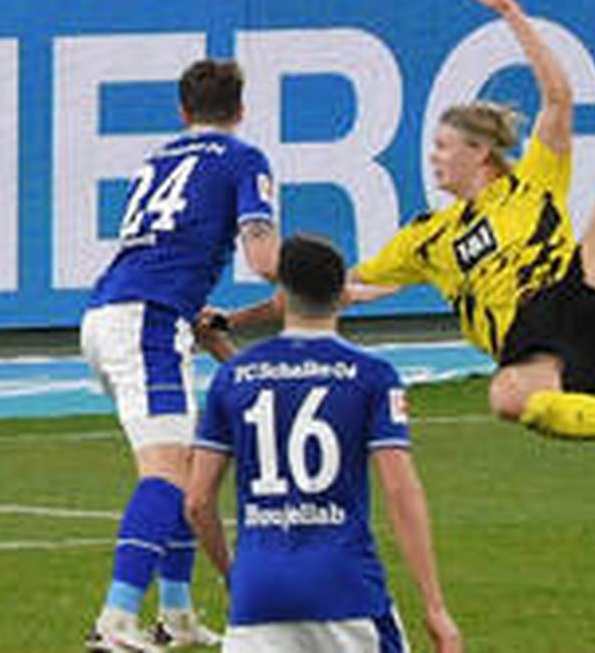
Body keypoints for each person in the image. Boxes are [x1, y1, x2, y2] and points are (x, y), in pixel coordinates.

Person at [212, 0, 595, 443]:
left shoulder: (531, 182)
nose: (434, 158)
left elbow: (558, 96)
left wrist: (509, 11)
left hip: (582, 296)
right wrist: (235, 321)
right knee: (507, 398)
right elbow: (330, 293)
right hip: (533, 343)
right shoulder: (427, 238)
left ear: (482, 151)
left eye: (444, 146)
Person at [81, 58, 280, 651]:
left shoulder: (157, 159)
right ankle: (116, 620)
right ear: (241, 111)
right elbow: (264, 260)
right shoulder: (245, 160)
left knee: (193, 469)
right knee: (168, 476)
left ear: (182, 112)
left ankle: (177, 614)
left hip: (110, 314)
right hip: (147, 323)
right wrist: (315, 278)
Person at [187, 234, 462, 653]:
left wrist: (234, 576)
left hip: (259, 596)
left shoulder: (233, 377)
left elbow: (197, 501)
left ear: (282, 296)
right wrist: (434, 606)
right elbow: (401, 491)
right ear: (343, 295)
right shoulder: (372, 375)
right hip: (347, 590)